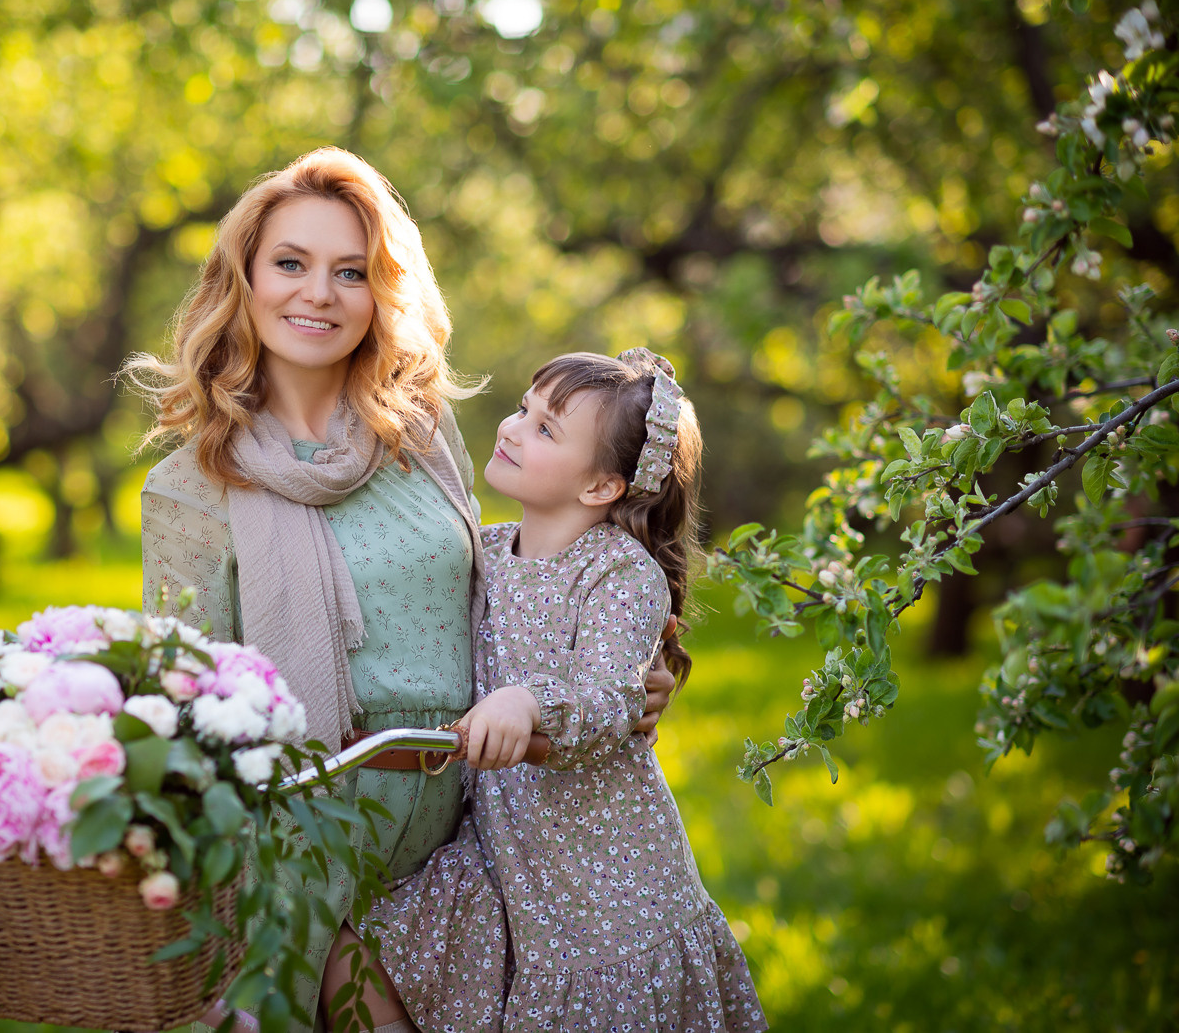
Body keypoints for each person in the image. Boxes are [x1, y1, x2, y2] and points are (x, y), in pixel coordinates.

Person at [134, 148, 678, 1032]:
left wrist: (617, 678)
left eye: (350, 271)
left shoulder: (418, 435)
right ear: (244, 277)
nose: (319, 293)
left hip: (470, 834)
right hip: (306, 841)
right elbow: (183, 701)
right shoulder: (191, 487)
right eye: (290, 263)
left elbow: (517, 587)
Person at [343, 350, 766, 1033]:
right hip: (510, 860)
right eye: (522, 409)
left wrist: (529, 700)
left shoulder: (619, 576)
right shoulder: (485, 550)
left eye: (545, 429)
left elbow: (610, 699)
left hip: (609, 898)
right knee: (363, 946)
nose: (512, 428)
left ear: (601, 486)